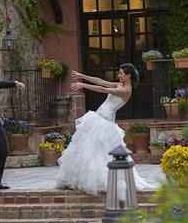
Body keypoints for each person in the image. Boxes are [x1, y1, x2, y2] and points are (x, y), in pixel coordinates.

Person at [55, 63, 155, 195]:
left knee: (101, 154)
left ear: (128, 75)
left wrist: (83, 85)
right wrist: (81, 76)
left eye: (121, 73)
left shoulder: (125, 90)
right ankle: (78, 178)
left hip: (105, 122)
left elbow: (102, 89)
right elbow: (101, 81)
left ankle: (103, 180)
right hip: (98, 118)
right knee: (89, 150)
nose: (118, 75)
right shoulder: (120, 85)